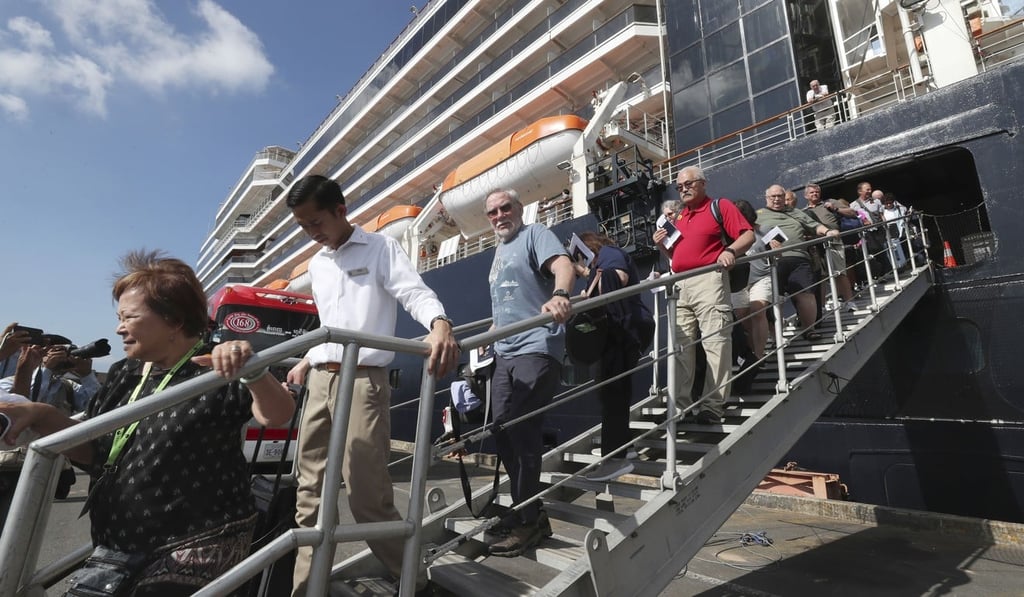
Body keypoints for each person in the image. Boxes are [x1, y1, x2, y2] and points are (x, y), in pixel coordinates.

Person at [0, 249, 296, 595]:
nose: (119, 327)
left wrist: (254, 371)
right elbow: (97, 450)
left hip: (196, 546)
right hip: (121, 544)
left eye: (130, 317)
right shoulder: (124, 373)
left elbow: (277, 414)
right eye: (120, 317)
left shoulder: (214, 370)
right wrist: (41, 414)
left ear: (173, 321)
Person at [284, 175, 458, 595]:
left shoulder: (381, 248)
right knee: (309, 496)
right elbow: (332, 325)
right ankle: (307, 588)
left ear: (340, 210)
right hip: (321, 380)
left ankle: (411, 577)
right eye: (303, 226)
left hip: (363, 380)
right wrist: (308, 359)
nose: (311, 233)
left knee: (366, 494)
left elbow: (413, 293)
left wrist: (439, 324)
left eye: (316, 222)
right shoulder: (318, 264)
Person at [485, 188, 574, 557]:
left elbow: (563, 264)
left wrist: (560, 293)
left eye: (506, 207)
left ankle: (528, 519)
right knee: (501, 427)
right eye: (492, 212)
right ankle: (528, 509)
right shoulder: (498, 250)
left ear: (519, 209)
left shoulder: (533, 233)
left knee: (521, 424)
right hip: (504, 350)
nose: (500, 215)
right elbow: (507, 301)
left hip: (537, 345)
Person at [651, 166, 753, 424]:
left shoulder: (720, 206)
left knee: (715, 342)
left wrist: (730, 250)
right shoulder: (681, 217)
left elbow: (748, 235)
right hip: (680, 284)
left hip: (709, 279)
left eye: (688, 184)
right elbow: (676, 258)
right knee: (681, 348)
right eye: (679, 186)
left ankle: (712, 406)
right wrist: (661, 245)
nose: (683, 188)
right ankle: (680, 408)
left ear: (703, 183)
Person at [572, 232, 653, 482]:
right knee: (613, 391)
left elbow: (617, 279)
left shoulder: (609, 255)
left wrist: (585, 273)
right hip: (619, 331)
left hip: (622, 331)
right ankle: (624, 447)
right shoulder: (601, 263)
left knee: (612, 392)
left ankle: (614, 458)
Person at [756, 184, 841, 339]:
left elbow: (814, 226)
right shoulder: (758, 215)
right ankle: (777, 338)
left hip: (798, 258)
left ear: (784, 197)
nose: (776, 199)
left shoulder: (795, 212)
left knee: (806, 294)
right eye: (773, 196)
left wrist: (828, 231)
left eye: (779, 196)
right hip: (772, 261)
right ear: (766, 198)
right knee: (775, 300)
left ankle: (809, 329)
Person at [803, 183, 858, 311]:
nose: (815, 194)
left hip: (834, 242)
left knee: (839, 272)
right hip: (816, 245)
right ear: (806, 196)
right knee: (821, 277)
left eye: (816, 192)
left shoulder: (830, 203)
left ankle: (849, 302)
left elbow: (852, 213)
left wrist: (836, 209)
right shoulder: (803, 212)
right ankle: (821, 307)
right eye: (811, 192)